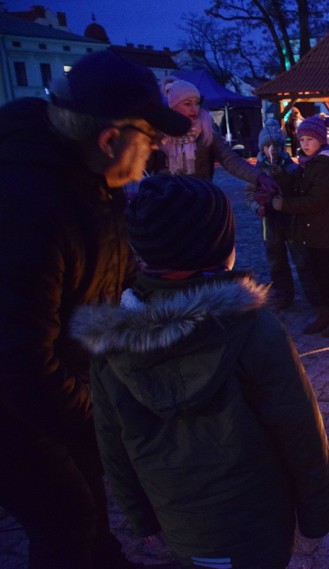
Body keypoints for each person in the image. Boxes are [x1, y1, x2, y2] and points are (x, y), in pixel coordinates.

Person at [71, 175, 329, 569]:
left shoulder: (111, 344)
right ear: (220, 248)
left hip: (179, 522)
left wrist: (140, 518)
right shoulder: (252, 329)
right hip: (258, 521)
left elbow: (111, 442)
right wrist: (316, 518)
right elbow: (298, 429)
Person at [0, 49, 191, 569]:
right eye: (150, 140)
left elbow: (112, 272)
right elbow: (18, 360)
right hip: (15, 406)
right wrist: (102, 423)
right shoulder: (27, 207)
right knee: (65, 518)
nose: (152, 154)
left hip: (67, 378)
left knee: (92, 494)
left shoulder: (93, 182)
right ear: (110, 138)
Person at [271, 114, 329, 336]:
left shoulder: (326, 165)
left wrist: (283, 205)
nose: (305, 144)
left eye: (310, 139)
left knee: (327, 272)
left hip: (322, 228)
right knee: (317, 273)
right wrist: (280, 174)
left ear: (320, 140)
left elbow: (316, 200)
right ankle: (325, 312)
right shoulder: (308, 163)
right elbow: (298, 186)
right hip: (309, 229)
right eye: (302, 139)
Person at [152, 77, 279, 197]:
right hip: (166, 199)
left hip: (199, 196)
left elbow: (230, 159)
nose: (194, 109)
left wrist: (259, 177)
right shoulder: (159, 133)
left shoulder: (206, 131)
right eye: (187, 104)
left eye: (197, 103)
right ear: (174, 105)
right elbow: (145, 164)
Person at [245, 119, 319, 309]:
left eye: (277, 145)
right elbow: (249, 193)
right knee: (276, 261)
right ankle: (283, 295)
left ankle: (313, 294)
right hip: (269, 222)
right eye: (268, 145)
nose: (273, 149)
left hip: (291, 219)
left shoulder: (292, 168)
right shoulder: (256, 172)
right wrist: (256, 207)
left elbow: (298, 189)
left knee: (302, 259)